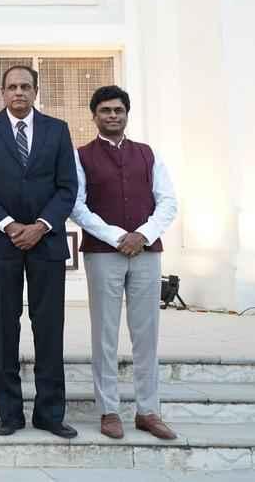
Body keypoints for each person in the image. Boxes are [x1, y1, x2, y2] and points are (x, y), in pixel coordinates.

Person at [0, 65, 78, 439]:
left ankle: (50, 414)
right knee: (3, 328)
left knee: (49, 328)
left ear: (35, 91)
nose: (19, 92)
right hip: (2, 243)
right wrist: (10, 225)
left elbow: (67, 187)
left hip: (47, 242)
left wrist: (41, 226)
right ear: (2, 92)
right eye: (12, 87)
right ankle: (10, 414)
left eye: (25, 86)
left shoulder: (57, 130)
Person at [71, 85, 179, 440]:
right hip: (104, 253)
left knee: (147, 334)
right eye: (105, 110)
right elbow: (77, 206)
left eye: (118, 110)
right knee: (105, 333)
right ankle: (109, 410)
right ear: (94, 116)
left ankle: (148, 410)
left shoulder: (147, 154)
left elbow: (168, 201)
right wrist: (118, 236)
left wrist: (142, 235)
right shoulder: (81, 156)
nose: (113, 115)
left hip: (146, 253)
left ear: (127, 114)